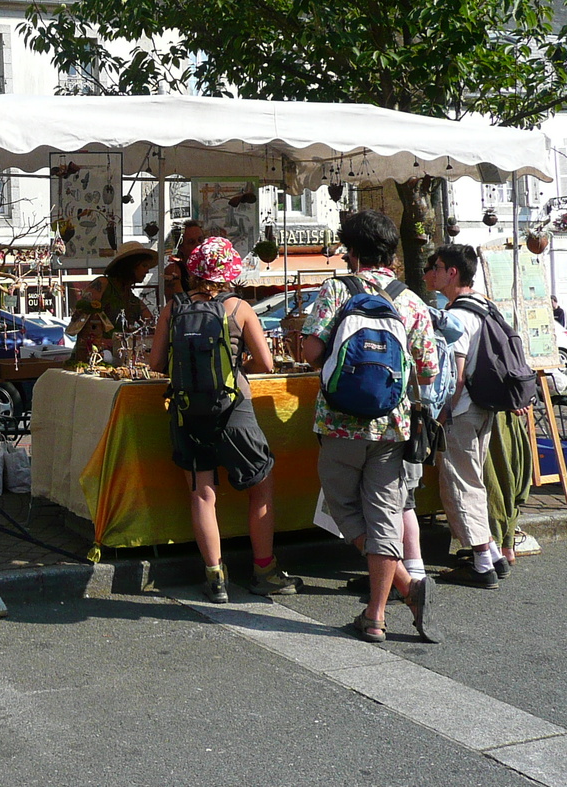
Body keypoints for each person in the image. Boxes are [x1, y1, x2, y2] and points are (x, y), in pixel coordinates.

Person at [302, 210, 441, 643]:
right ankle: (377, 614)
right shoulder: (411, 300)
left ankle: (404, 585)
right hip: (391, 428)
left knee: (342, 506)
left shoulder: (337, 290)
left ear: (352, 250)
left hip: (340, 423)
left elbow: (310, 351)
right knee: (385, 516)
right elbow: (430, 371)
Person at [149, 236, 297, 602]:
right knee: (260, 486)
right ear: (229, 272)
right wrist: (236, 365)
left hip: (187, 411)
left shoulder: (173, 308)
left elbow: (154, 364)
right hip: (234, 410)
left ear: (195, 270)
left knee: (202, 493)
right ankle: (263, 568)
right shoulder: (239, 308)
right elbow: (266, 364)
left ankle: (215, 577)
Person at [423, 244, 506, 590]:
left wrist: (442, 413)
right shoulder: (486, 306)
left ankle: (481, 561)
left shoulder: (457, 315)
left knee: (460, 484)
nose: (431, 271)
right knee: (474, 479)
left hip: (462, 410)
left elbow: (455, 375)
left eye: (436, 266)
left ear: (452, 272)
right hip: (485, 406)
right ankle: (494, 554)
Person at [67, 241, 157, 364]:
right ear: (130, 265)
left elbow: (151, 323)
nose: (147, 271)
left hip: (118, 360)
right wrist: (103, 340)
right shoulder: (103, 284)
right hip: (92, 359)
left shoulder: (133, 300)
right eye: (144, 265)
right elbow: (83, 316)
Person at [162, 219, 207, 300]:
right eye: (191, 242)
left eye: (200, 240)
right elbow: (180, 304)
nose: (198, 245)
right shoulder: (174, 270)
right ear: (181, 248)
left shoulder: (211, 267)